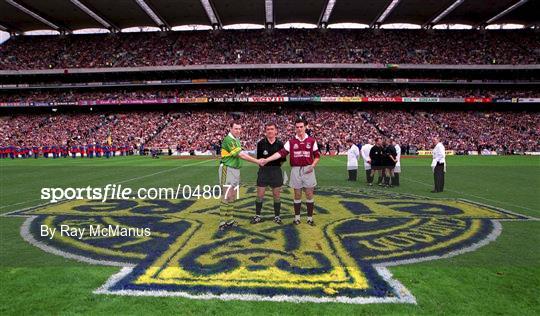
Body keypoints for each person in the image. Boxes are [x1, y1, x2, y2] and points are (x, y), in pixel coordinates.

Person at [261, 118, 320, 226]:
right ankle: (297, 218)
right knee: (297, 194)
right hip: (296, 170)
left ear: (305, 127)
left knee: (309, 194)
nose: (299, 129)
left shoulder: (312, 141)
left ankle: (310, 218)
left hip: (308, 169)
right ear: (295, 128)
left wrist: (313, 165)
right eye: (297, 127)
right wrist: (267, 159)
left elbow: (317, 156)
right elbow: (281, 153)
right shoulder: (291, 142)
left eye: (301, 126)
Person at [219, 122, 262, 230]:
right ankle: (222, 222)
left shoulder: (236, 139)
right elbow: (241, 154)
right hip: (227, 168)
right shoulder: (229, 140)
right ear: (230, 128)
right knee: (226, 195)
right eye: (236, 128)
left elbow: (241, 153)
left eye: (239, 129)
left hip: (234, 169)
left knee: (232, 196)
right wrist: (257, 161)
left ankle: (230, 220)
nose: (238, 130)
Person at [251, 122, 286, 224]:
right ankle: (257, 216)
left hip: (276, 172)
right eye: (268, 129)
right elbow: (259, 160)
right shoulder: (261, 143)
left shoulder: (280, 144)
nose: (270, 131)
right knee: (260, 195)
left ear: (276, 131)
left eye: (272, 129)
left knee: (276, 195)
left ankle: (277, 216)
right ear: (265, 131)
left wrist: (275, 165)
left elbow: (283, 160)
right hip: (263, 172)